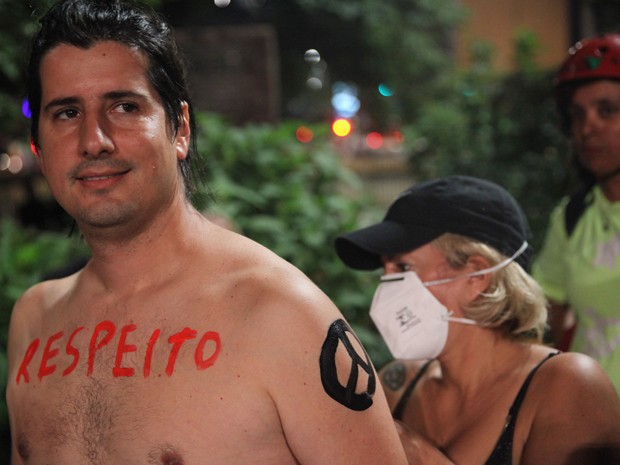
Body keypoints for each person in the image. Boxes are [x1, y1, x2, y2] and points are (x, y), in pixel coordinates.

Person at [5, 1, 409, 464]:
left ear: (180, 130)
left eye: (123, 106)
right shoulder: (35, 322)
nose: (94, 139)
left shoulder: (280, 316)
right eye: (66, 113)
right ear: (38, 144)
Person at [334, 175, 620, 465]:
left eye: (403, 267)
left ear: (477, 276)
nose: (386, 285)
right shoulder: (398, 383)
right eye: (385, 269)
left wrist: (419, 453)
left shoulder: (566, 384)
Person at [531, 34, 620, 392]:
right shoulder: (572, 217)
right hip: (592, 423)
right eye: (577, 114)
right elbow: (543, 317)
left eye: (608, 111)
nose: (588, 128)